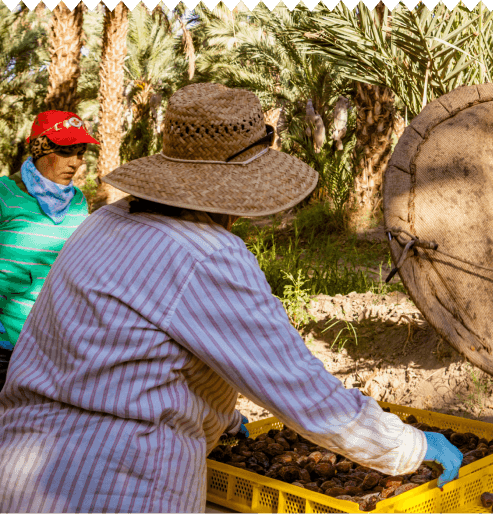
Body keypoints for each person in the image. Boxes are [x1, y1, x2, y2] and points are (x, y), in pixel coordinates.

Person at [0, 83, 462, 512]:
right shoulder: (207, 256)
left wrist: (216, 412)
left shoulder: (104, 220)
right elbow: (302, 391)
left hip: (21, 473)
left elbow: (118, 353)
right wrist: (411, 448)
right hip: (115, 486)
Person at [0, 111, 98, 391]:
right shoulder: (5, 193)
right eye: (66, 152)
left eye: (80, 153)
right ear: (41, 149)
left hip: (55, 335)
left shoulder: (78, 201)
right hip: (5, 335)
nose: (75, 163)